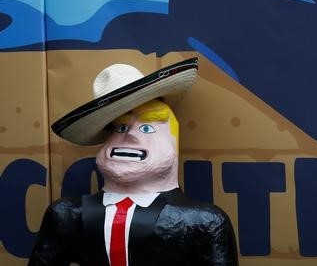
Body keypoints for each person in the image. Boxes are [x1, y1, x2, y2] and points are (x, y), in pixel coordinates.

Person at [28, 58, 239, 266]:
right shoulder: (67, 215)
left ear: (173, 143)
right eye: (120, 128)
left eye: (147, 128)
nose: (129, 136)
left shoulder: (204, 221)